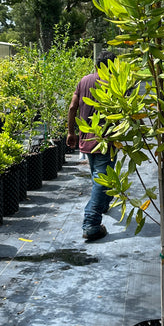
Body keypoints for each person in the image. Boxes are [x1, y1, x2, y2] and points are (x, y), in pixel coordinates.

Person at [67, 50, 117, 241]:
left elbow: (73, 107)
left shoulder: (84, 80)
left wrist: (71, 132)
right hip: (106, 140)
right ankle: (91, 223)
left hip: (86, 138)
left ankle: (103, 204)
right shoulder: (113, 83)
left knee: (98, 174)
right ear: (112, 67)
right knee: (100, 178)